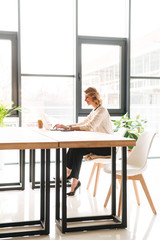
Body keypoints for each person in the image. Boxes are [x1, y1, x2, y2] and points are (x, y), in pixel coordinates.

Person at [54, 87, 113, 196]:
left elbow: (90, 126)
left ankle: (69, 176)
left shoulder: (102, 111)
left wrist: (68, 128)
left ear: (94, 97)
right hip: (99, 143)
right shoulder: (95, 110)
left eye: (87, 97)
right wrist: (66, 126)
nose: (85, 99)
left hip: (107, 147)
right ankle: (72, 177)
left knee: (77, 148)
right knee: (75, 146)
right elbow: (84, 122)